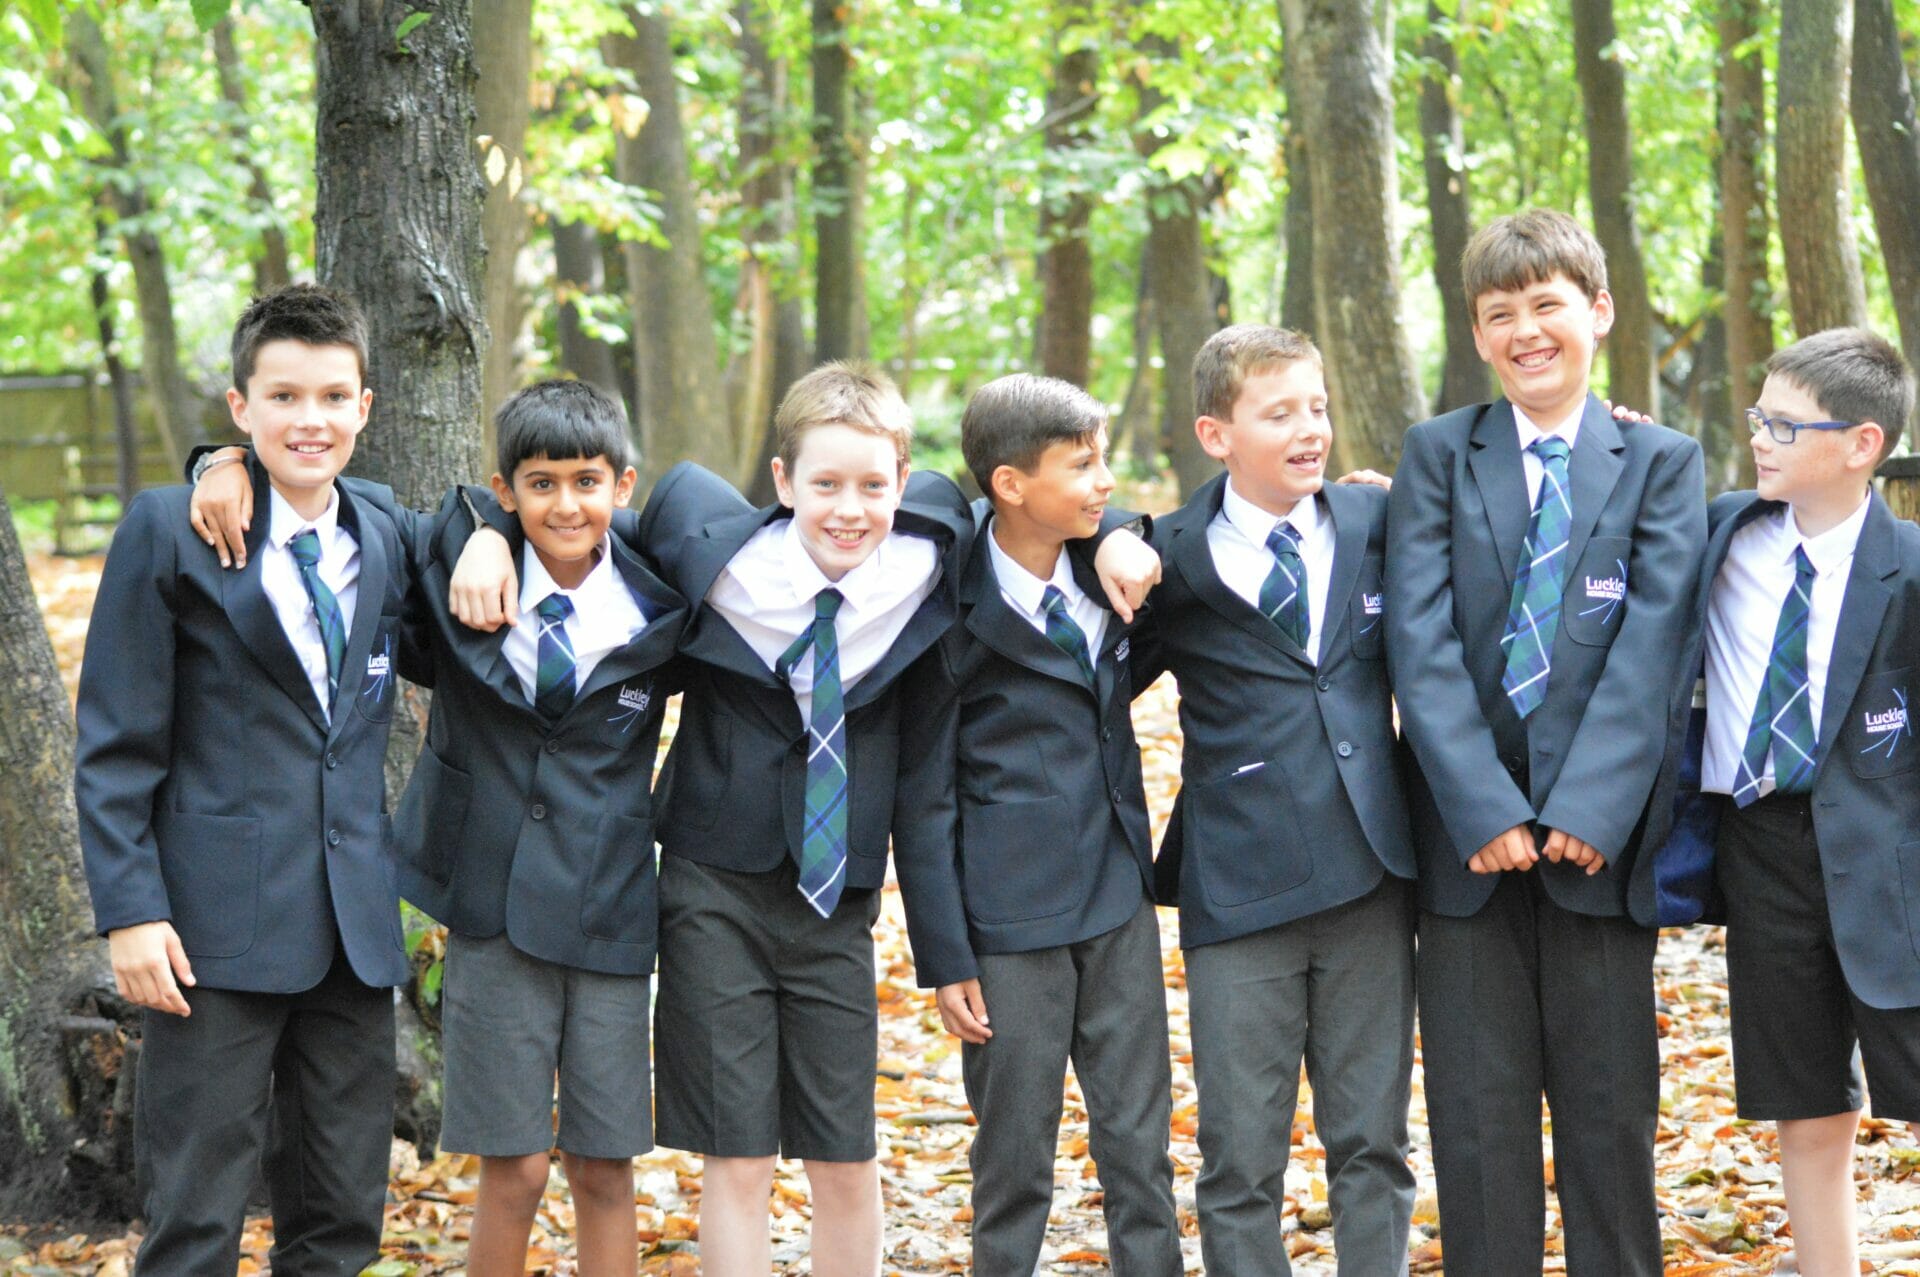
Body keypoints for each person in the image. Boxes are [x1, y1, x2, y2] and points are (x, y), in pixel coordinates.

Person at [1385, 208, 1706, 1275]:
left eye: (1548, 304)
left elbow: (1655, 644)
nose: (1527, 329)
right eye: (1500, 312)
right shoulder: (1438, 454)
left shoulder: (1661, 461)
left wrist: (1585, 807)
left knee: (1610, 1122)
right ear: (1477, 335)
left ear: (1599, 312)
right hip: (1464, 851)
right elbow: (1420, 643)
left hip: (1597, 849)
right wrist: (1484, 808)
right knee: (1478, 1129)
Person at [74, 283, 416, 1275]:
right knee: (194, 1211)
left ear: (365, 405)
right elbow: (115, 738)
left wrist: (483, 533)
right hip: (207, 934)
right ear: (240, 406)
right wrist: (130, 909)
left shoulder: (388, 532)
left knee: (342, 1213)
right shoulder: (170, 529)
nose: (308, 418)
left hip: (354, 934)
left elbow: (490, 512)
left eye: (330, 396)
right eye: (282, 396)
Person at [1127, 324, 1419, 1274]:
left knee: (1372, 1140)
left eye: (1319, 407)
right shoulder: (1165, 558)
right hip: (1240, 887)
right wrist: (1104, 541)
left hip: (1372, 875)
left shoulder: (1378, 522)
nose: (1310, 430)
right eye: (1279, 412)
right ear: (1217, 434)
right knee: (1239, 1154)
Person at [892, 373, 1181, 1274]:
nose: (1104, 481)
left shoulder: (1109, 573)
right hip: (1007, 922)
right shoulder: (947, 609)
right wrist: (947, 956)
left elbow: (1150, 525)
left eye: (1104, 462)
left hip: (1117, 899)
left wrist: (1126, 528)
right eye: (1082, 465)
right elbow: (923, 795)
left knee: (1139, 1142)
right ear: (1011, 486)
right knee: (1015, 1152)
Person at [1694, 328, 1920, 1277]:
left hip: (1891, 857)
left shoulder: (1909, 566)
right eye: (1758, 419)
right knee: (1806, 1094)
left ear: (1861, 444)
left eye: (1785, 425)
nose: (1761, 439)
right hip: (1764, 850)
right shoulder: (1721, 535)